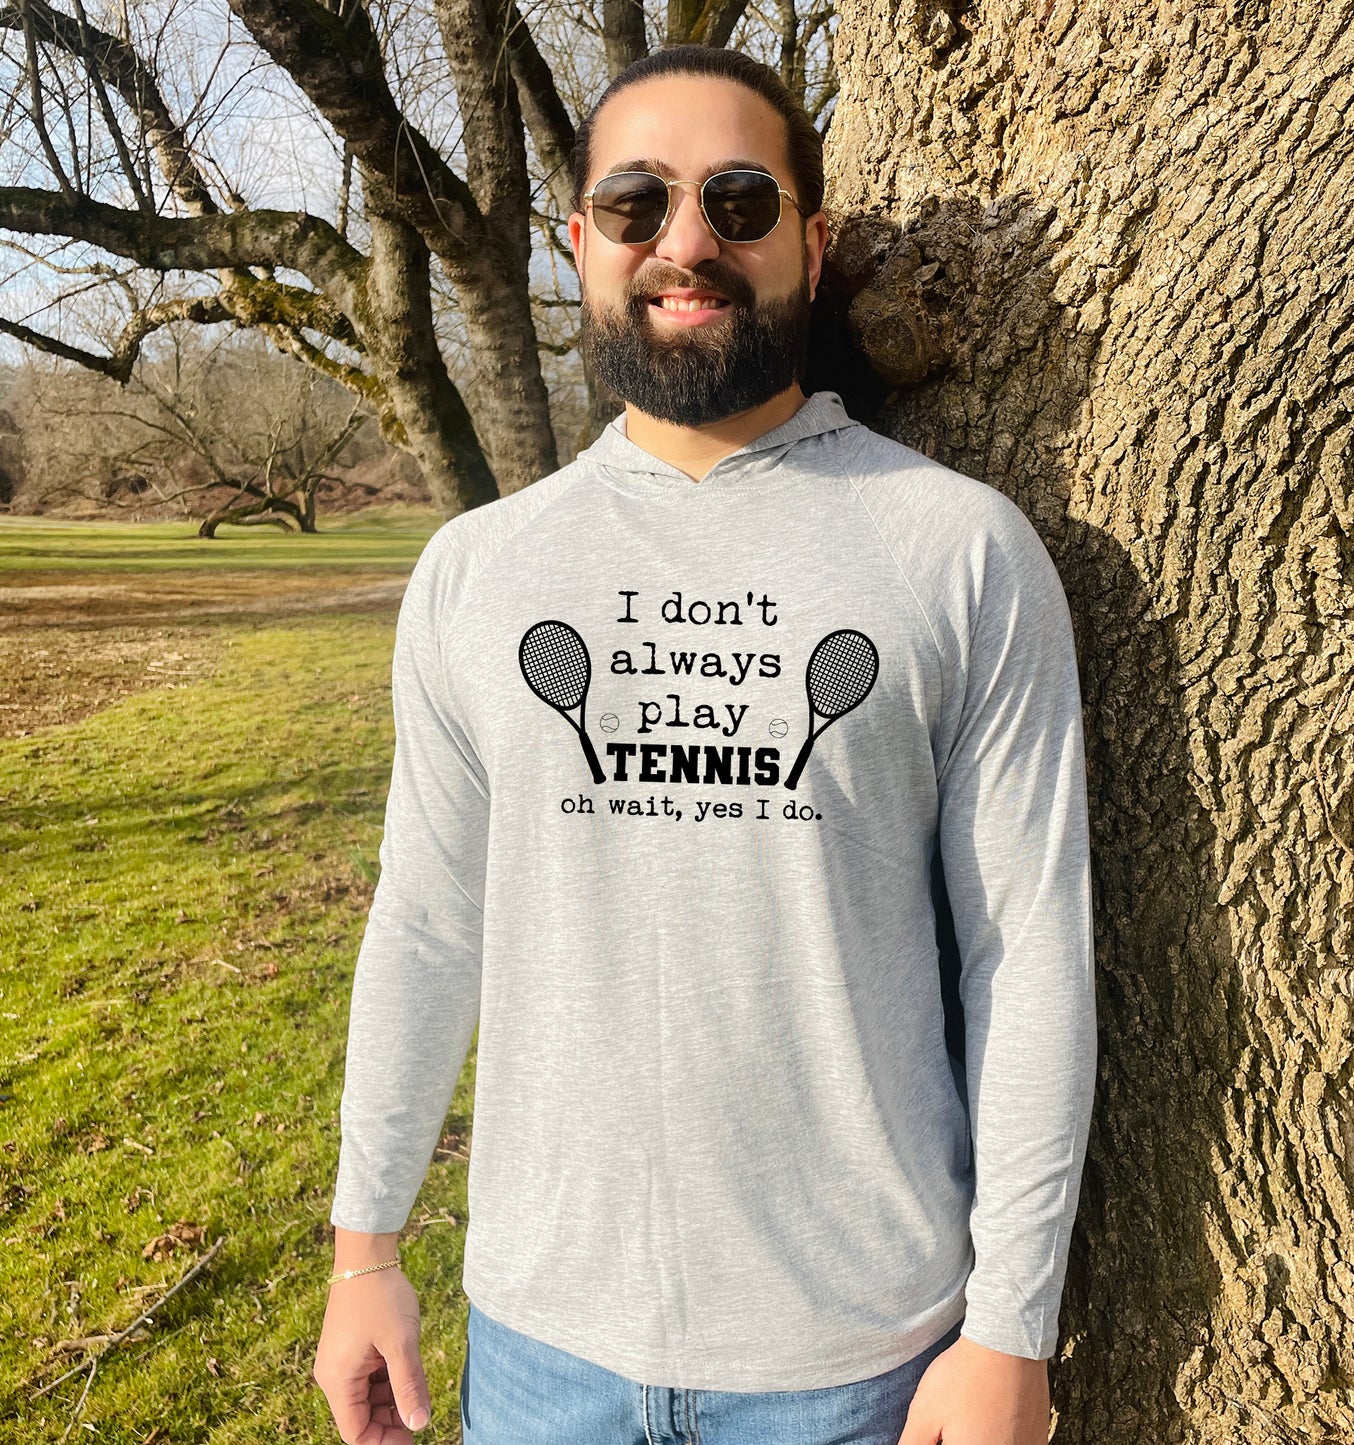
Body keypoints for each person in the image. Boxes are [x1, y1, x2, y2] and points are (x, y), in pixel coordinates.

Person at [313, 43, 1096, 1445]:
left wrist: (1008, 1329)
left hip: (863, 1357)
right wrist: (364, 1249)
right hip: (539, 1346)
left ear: (811, 237)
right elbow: (427, 925)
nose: (686, 241)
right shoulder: (477, 570)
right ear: (580, 244)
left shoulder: (959, 552)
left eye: (738, 200)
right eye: (635, 204)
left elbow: (1026, 948)